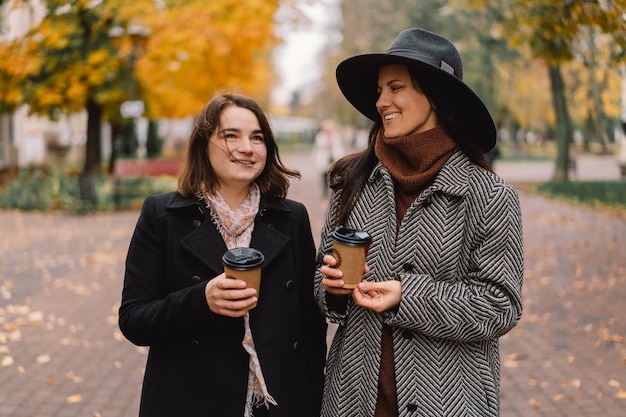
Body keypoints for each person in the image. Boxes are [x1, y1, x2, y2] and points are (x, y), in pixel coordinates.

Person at [314, 28, 524, 417]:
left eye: (396, 88)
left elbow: (500, 305)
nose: (382, 101)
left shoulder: (490, 194)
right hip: (353, 398)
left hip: (450, 402)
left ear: (435, 96)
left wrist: (407, 296)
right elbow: (321, 284)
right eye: (379, 91)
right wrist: (333, 288)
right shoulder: (352, 181)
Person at [119, 92, 327, 417]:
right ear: (204, 143)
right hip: (189, 401)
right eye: (231, 135)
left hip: (278, 402)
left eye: (257, 138)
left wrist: (313, 397)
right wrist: (202, 300)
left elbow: (310, 325)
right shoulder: (162, 215)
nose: (247, 147)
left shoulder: (291, 218)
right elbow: (134, 320)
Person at [312, 119, 345, 196]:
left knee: (333, 175)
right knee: (324, 176)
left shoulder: (336, 136)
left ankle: (333, 191)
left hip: (334, 158)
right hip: (324, 159)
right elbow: (319, 146)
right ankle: (325, 191)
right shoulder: (320, 136)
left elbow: (339, 147)